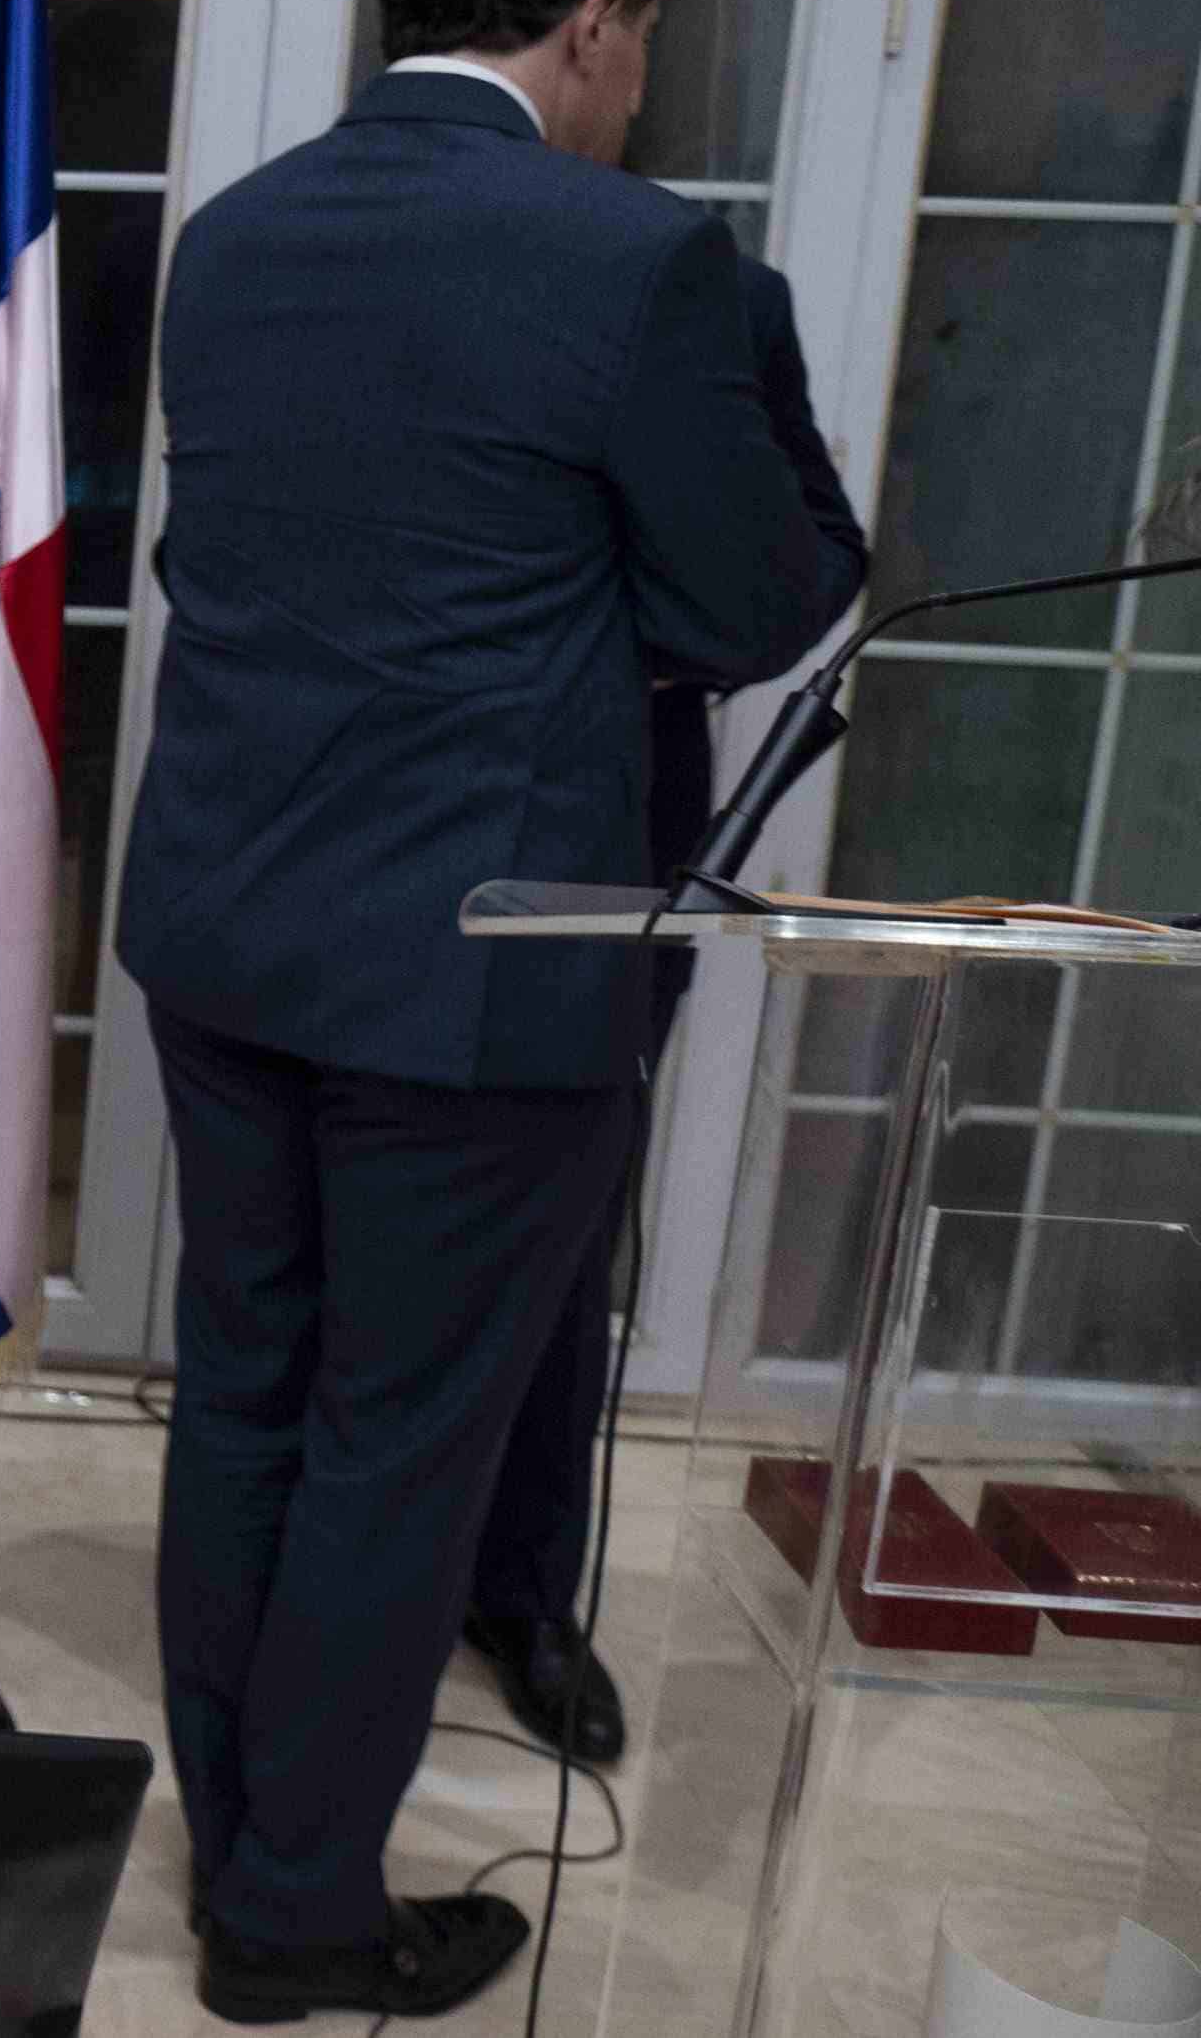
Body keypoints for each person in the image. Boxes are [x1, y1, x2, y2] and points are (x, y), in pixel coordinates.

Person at [117, 0, 865, 2024]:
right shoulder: (638, 262)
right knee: (395, 1437)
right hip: (493, 947)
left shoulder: (230, 241)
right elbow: (763, 594)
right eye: (640, 43)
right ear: (594, 15)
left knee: (246, 1394)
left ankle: (246, 1830)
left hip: (229, 923)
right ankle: (288, 1910)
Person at [464, 254, 859, 1772]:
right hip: (383, 817)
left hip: (621, 814)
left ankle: (525, 1597)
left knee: (567, 1234)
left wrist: (620, 629)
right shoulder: (405, 261)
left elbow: (813, 565)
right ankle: (357, 1583)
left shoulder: (716, 300)